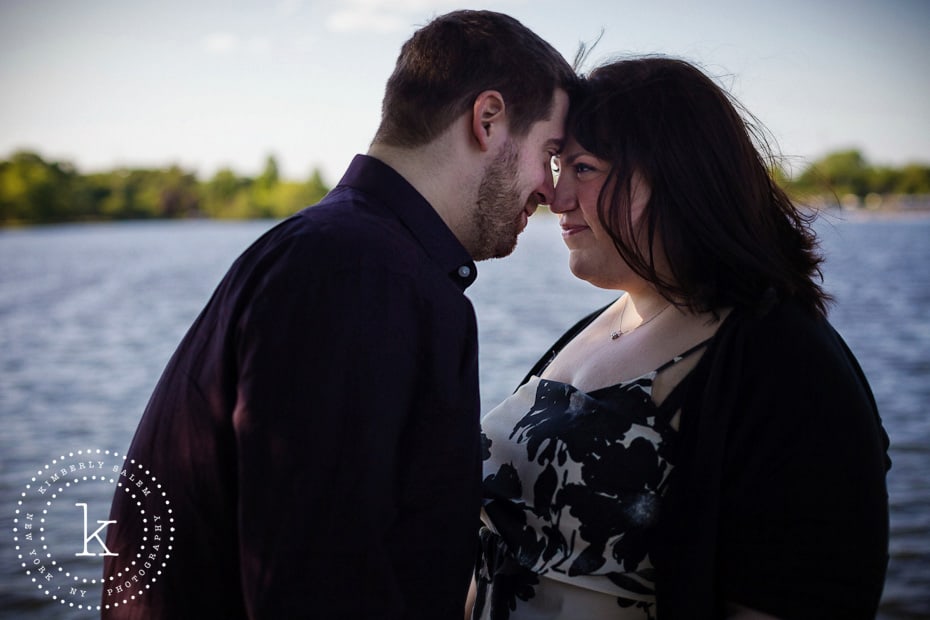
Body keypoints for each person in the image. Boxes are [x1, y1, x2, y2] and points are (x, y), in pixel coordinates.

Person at [101, 10, 576, 619]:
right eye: (551, 154)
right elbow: (315, 581)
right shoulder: (360, 275)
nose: (552, 190)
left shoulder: (346, 254)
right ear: (487, 120)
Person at [472, 57, 890, 619]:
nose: (555, 195)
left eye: (585, 169)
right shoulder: (601, 322)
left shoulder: (784, 360)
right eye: (555, 165)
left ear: (676, 178)